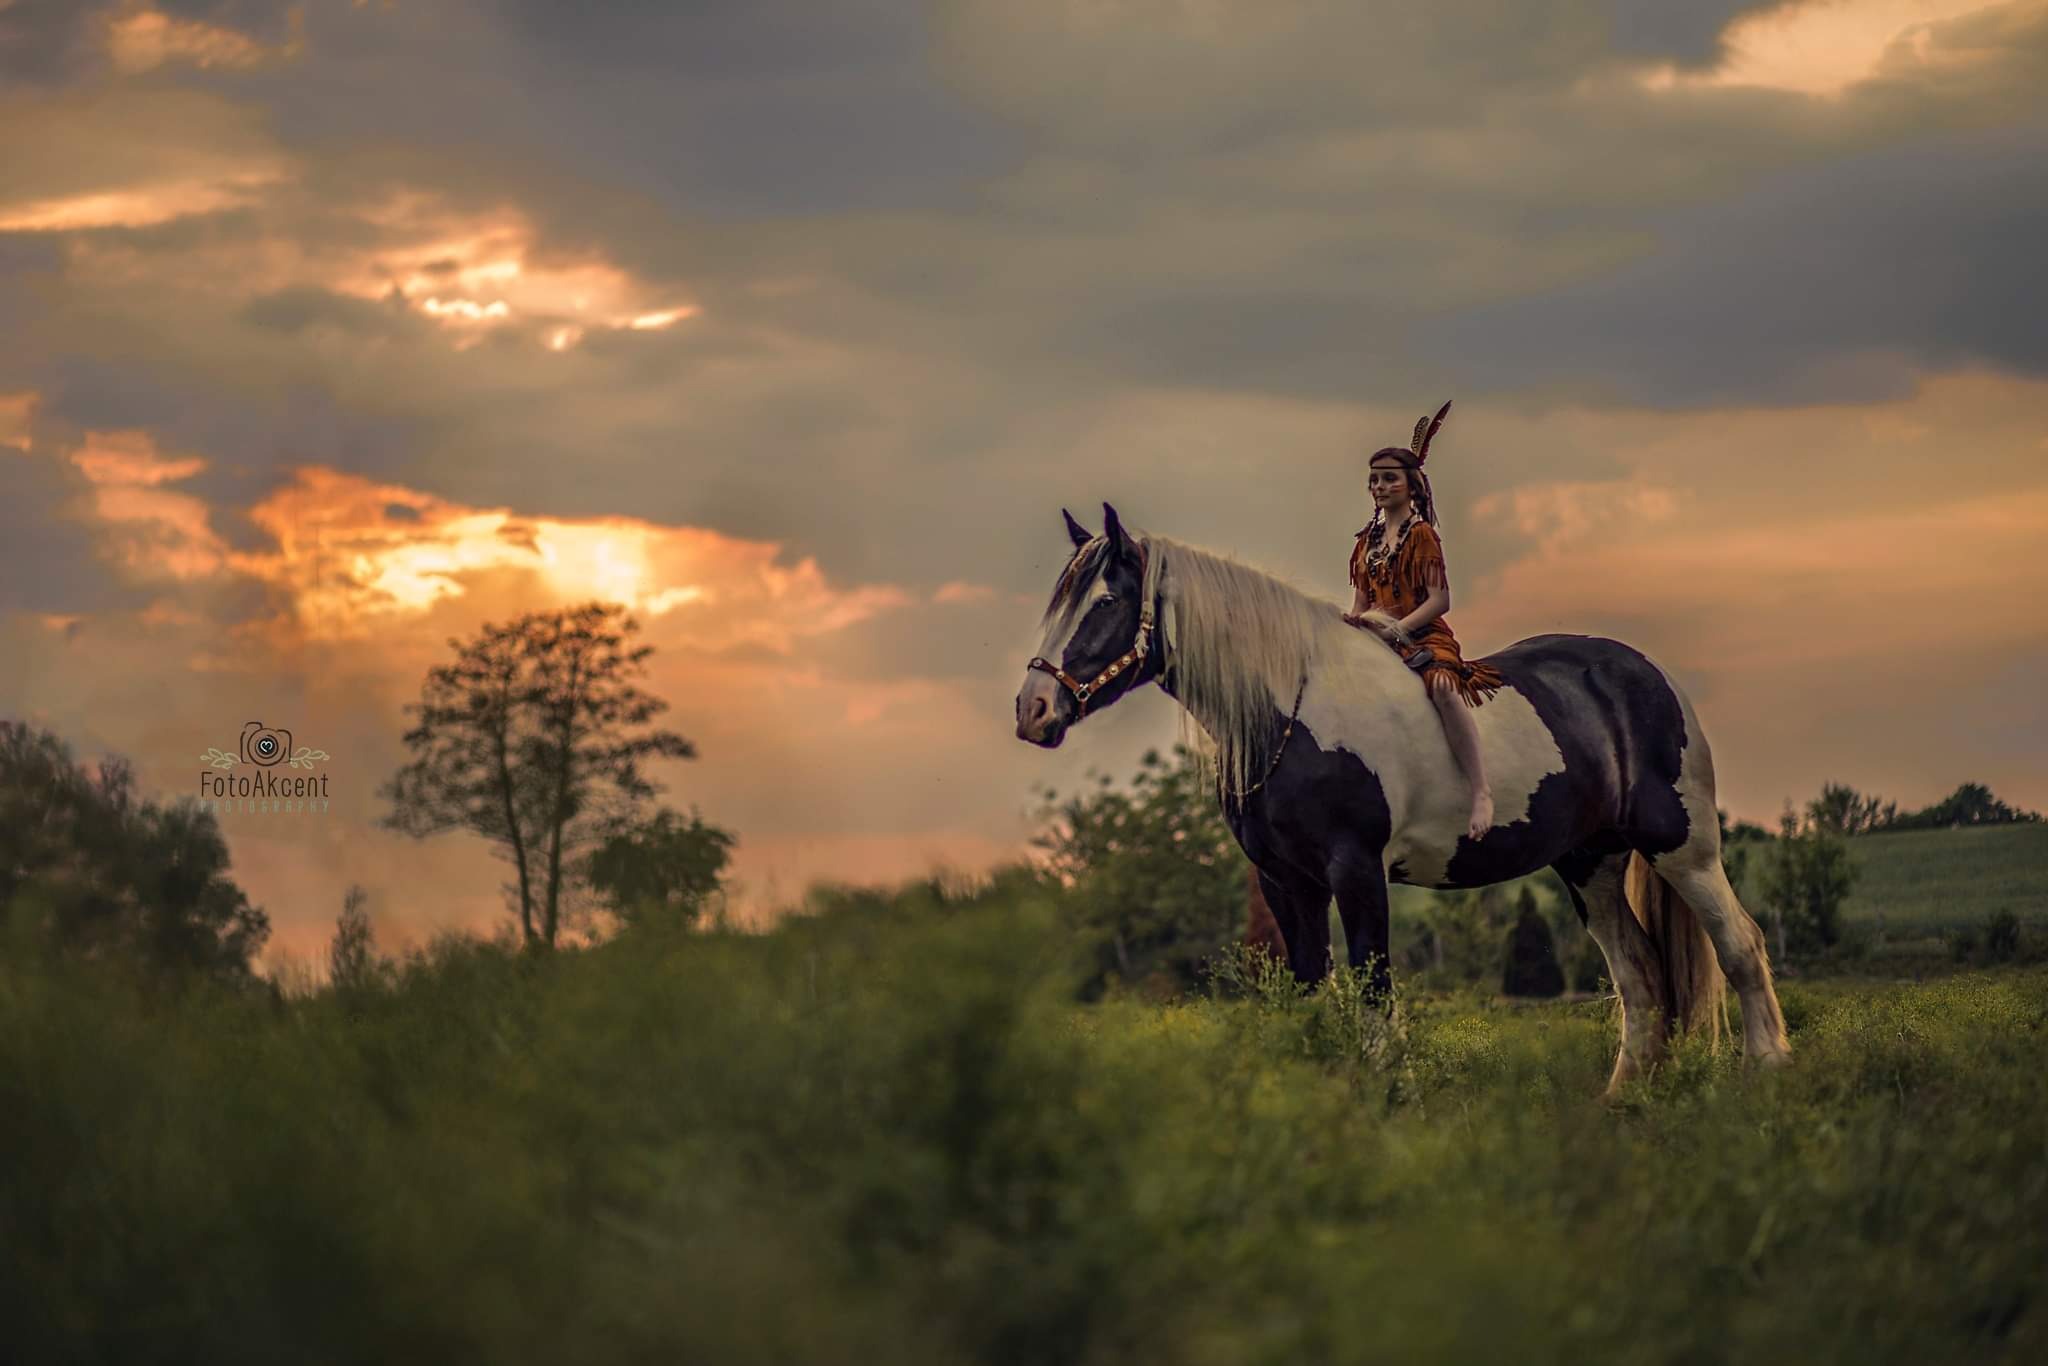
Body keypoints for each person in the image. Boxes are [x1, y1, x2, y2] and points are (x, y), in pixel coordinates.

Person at [1341, 401, 1504, 840]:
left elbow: (1441, 599)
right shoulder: (1365, 543)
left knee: (1444, 691)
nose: (1379, 485)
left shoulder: (1422, 536)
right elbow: (1360, 601)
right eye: (1374, 478)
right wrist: (1353, 624)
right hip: (1375, 639)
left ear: (1411, 485)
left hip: (1423, 635)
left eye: (1389, 478)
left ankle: (1480, 790)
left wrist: (1397, 628)